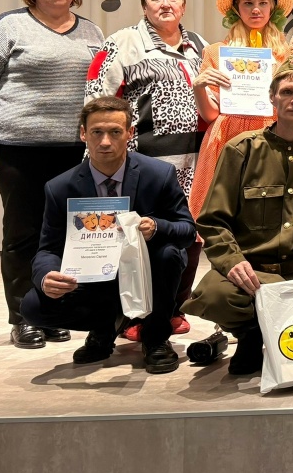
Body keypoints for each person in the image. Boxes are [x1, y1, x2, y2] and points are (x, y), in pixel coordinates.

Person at [0, 0, 104, 349]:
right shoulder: (8, 26)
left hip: (76, 153)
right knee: (23, 235)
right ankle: (23, 316)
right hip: (18, 152)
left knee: (67, 235)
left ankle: (51, 311)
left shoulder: (93, 31)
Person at [182, 63, 293, 375]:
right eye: (287, 92)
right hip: (252, 272)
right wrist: (232, 261)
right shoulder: (241, 150)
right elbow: (212, 220)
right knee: (215, 295)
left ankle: (283, 331)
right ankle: (251, 335)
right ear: (272, 98)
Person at [20, 97, 195, 373]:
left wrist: (157, 227)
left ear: (130, 133)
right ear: (83, 134)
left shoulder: (158, 174)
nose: (105, 142)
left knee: (170, 253)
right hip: (93, 278)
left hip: (145, 276)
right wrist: (46, 276)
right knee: (32, 307)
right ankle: (105, 328)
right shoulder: (60, 187)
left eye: (115, 132)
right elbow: (48, 248)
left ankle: (156, 336)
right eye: (96, 132)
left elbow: (187, 231)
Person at [85, 0, 207, 336]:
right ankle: (133, 316)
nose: (165, 3)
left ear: (183, 5)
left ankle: (171, 310)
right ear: (144, 5)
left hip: (193, 161)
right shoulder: (122, 42)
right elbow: (96, 99)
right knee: (136, 237)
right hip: (142, 160)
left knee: (188, 235)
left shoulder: (200, 45)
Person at [187, 0, 293, 220]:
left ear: (272, 9)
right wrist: (199, 88)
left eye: (263, 3)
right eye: (248, 3)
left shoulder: (287, 54)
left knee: (269, 214)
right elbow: (211, 115)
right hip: (227, 136)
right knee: (225, 212)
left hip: (274, 135)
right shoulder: (216, 52)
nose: (256, 9)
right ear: (236, 9)